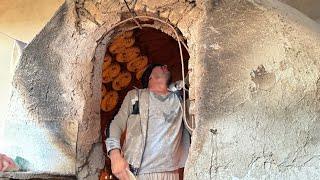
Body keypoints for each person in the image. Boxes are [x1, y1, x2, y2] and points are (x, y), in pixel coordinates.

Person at [105, 63, 191, 180]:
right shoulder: (136, 97)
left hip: (171, 174)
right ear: (150, 76)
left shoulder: (179, 98)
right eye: (160, 66)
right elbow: (116, 123)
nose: (165, 65)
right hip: (139, 174)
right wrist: (114, 155)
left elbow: (193, 76)